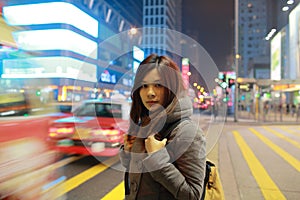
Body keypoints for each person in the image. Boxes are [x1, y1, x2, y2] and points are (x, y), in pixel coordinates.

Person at [119, 54, 206, 199]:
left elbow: (193, 195)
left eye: (158, 85)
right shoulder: (146, 123)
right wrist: (128, 152)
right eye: (144, 86)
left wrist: (157, 158)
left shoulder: (189, 133)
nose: (150, 93)